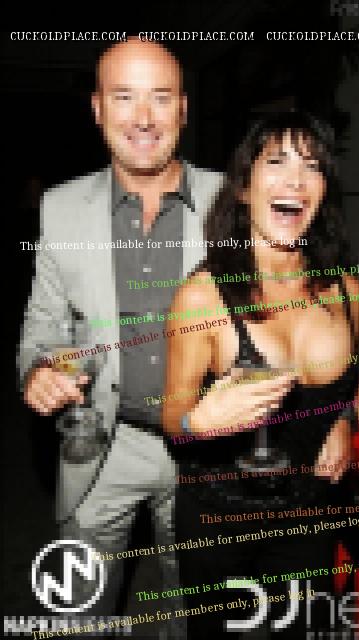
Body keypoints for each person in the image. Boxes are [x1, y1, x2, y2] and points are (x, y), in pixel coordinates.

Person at [18, 37, 222, 626]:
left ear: (183, 108)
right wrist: (38, 369)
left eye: (161, 97)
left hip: (207, 449)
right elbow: (43, 322)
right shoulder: (60, 208)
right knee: (80, 608)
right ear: (97, 108)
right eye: (124, 97)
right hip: (102, 446)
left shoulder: (232, 200)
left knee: (193, 609)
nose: (143, 118)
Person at [162, 111, 359, 638]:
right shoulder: (202, 298)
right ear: (243, 188)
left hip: (310, 512)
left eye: (312, 166)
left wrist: (345, 422)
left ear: (323, 192)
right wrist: (199, 422)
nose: (295, 180)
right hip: (218, 517)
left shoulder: (347, 291)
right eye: (277, 162)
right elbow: (172, 417)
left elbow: (357, 386)